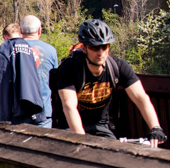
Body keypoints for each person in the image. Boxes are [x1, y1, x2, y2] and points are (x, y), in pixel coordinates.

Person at [56, 19, 166, 147]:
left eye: (104, 47)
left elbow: (141, 98)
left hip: (99, 126)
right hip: (69, 126)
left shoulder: (118, 67)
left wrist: (155, 127)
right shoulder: (69, 69)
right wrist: (82, 141)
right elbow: (69, 106)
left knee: (115, 154)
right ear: (84, 48)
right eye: (94, 47)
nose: (100, 53)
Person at [0, 33, 44, 124]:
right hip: (34, 104)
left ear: (5, 36)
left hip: (13, 109)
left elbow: (1, 77)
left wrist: (2, 114)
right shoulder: (28, 46)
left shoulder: (6, 47)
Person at [20, 15, 59, 127]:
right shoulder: (51, 50)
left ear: (20, 30)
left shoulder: (12, 49)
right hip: (44, 110)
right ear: (39, 30)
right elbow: (55, 81)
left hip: (19, 110)